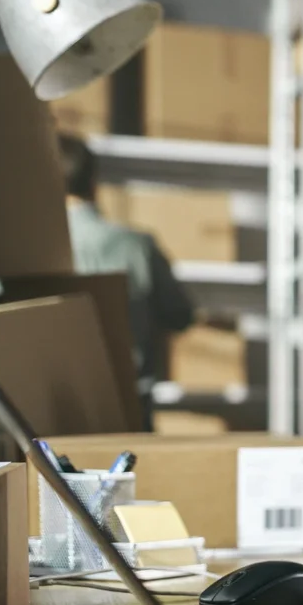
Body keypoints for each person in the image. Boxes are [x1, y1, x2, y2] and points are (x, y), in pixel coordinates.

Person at [58, 134, 195, 428]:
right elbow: (181, 315)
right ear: (93, 182)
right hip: (128, 408)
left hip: (51, 410)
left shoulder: (30, 248)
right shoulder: (137, 247)